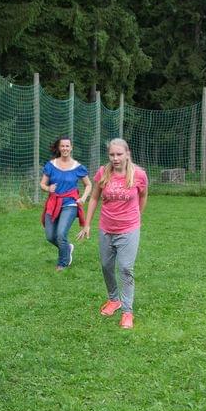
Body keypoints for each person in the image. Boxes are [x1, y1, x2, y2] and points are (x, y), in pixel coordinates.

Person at [77, 138, 148, 329]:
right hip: (106, 228)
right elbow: (93, 198)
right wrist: (87, 224)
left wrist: (136, 218)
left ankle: (127, 311)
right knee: (107, 266)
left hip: (129, 229)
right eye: (112, 154)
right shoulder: (103, 172)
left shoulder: (139, 174)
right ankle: (113, 300)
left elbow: (143, 196)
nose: (115, 158)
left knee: (125, 268)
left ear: (127, 154)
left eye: (119, 154)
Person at [40, 136, 91, 270]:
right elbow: (42, 184)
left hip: (70, 204)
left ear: (71, 148)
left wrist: (83, 198)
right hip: (53, 202)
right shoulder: (51, 165)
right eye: (62, 146)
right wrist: (48, 188)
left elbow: (88, 185)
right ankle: (68, 248)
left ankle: (62, 263)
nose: (65, 148)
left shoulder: (78, 167)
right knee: (50, 236)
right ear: (59, 148)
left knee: (61, 234)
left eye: (67, 146)